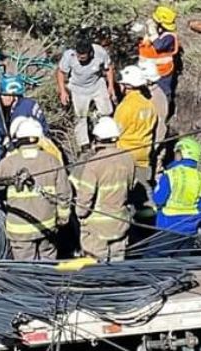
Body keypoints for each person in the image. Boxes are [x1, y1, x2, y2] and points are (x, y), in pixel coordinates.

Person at [0, 118, 71, 261]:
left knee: (26, 271)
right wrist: (62, 218)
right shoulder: (51, 160)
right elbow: (64, 193)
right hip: (46, 228)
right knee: (49, 266)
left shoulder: (11, 161)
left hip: (20, 231)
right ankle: (49, 283)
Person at [71, 117, 136, 261]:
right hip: (120, 222)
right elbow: (130, 187)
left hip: (97, 229)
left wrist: (80, 214)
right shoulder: (128, 158)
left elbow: (84, 201)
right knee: (117, 265)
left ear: (97, 139)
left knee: (95, 271)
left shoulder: (93, 164)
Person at [148, 137, 201, 257]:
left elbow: (158, 199)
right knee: (181, 262)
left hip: (168, 226)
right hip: (190, 229)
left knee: (152, 259)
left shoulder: (171, 175)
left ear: (181, 154)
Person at [56, 32, 116, 149]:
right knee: (81, 116)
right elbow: (61, 72)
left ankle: (105, 136)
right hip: (78, 89)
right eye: (79, 56)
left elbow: (108, 68)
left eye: (83, 57)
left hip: (97, 84)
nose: (80, 59)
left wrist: (111, 87)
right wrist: (63, 91)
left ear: (90, 53)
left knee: (107, 111)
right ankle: (84, 144)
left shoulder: (100, 53)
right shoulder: (69, 56)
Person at [114, 65, 156, 203]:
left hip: (125, 154)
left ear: (127, 85)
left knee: (124, 191)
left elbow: (115, 132)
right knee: (142, 189)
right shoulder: (149, 104)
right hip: (144, 152)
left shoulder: (125, 107)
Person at [137, 5, 180, 112]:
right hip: (149, 71)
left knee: (163, 94)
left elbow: (158, 45)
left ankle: (165, 111)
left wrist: (153, 32)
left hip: (163, 73)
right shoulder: (157, 32)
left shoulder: (169, 37)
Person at [139, 60, 169, 168]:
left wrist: (153, 147)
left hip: (153, 143)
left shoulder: (156, 98)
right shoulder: (147, 94)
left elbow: (160, 127)